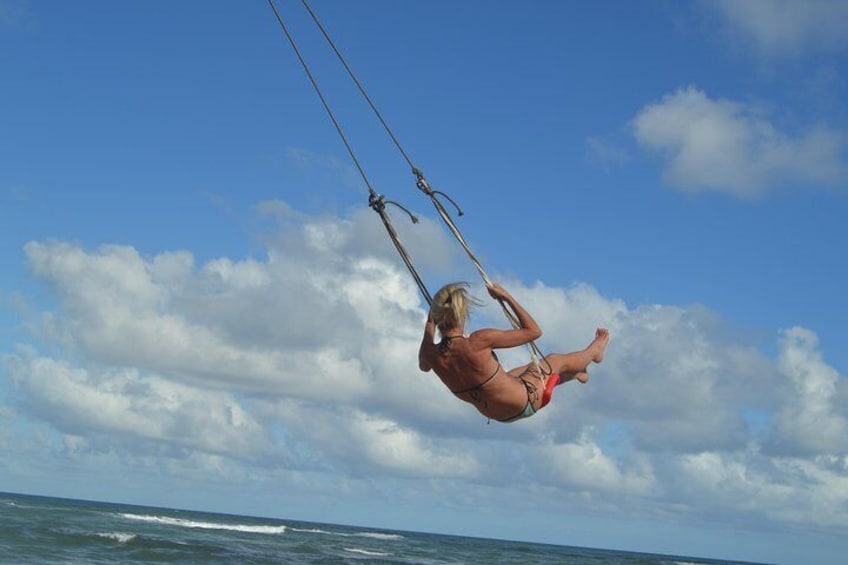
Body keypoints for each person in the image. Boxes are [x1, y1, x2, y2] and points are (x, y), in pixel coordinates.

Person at [418, 281, 609, 423]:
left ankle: (578, 374)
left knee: (525, 371)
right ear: (462, 314)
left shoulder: (431, 355)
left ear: (436, 316)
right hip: (525, 400)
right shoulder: (478, 341)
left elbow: (423, 366)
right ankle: (594, 352)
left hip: (497, 414)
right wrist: (506, 297)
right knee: (554, 361)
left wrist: (430, 324)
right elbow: (534, 331)